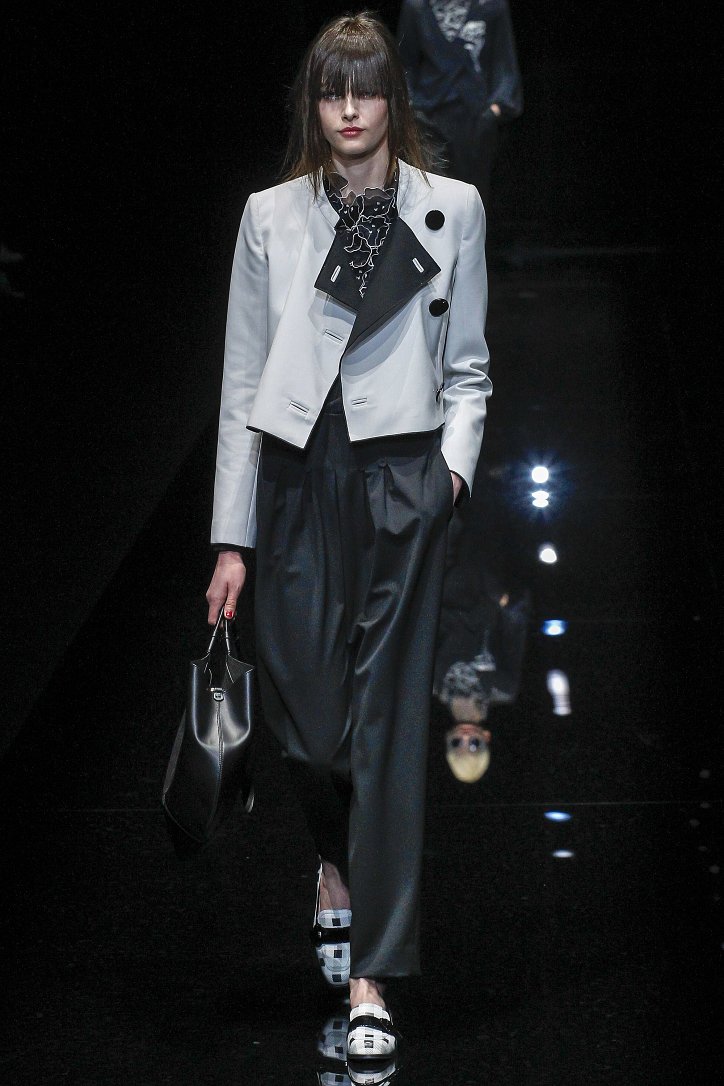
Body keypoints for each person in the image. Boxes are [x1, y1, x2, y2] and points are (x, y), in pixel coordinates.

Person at [205, 11, 491, 1061]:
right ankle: (333, 862)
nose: (352, 110)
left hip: (401, 482)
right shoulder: (270, 216)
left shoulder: (449, 208)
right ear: (313, 105)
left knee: (386, 738)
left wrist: (449, 476)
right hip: (294, 482)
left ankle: (372, 979)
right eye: (333, 92)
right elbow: (242, 380)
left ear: (392, 100)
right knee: (310, 736)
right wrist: (229, 539)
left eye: (367, 91)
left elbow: (469, 366)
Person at [397, 0, 523, 205]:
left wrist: (496, 109)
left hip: (475, 119)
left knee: (472, 200)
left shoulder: (491, 5)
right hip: (428, 119)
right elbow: (404, 63)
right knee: (428, 200)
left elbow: (503, 60)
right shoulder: (417, 6)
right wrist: (411, 108)